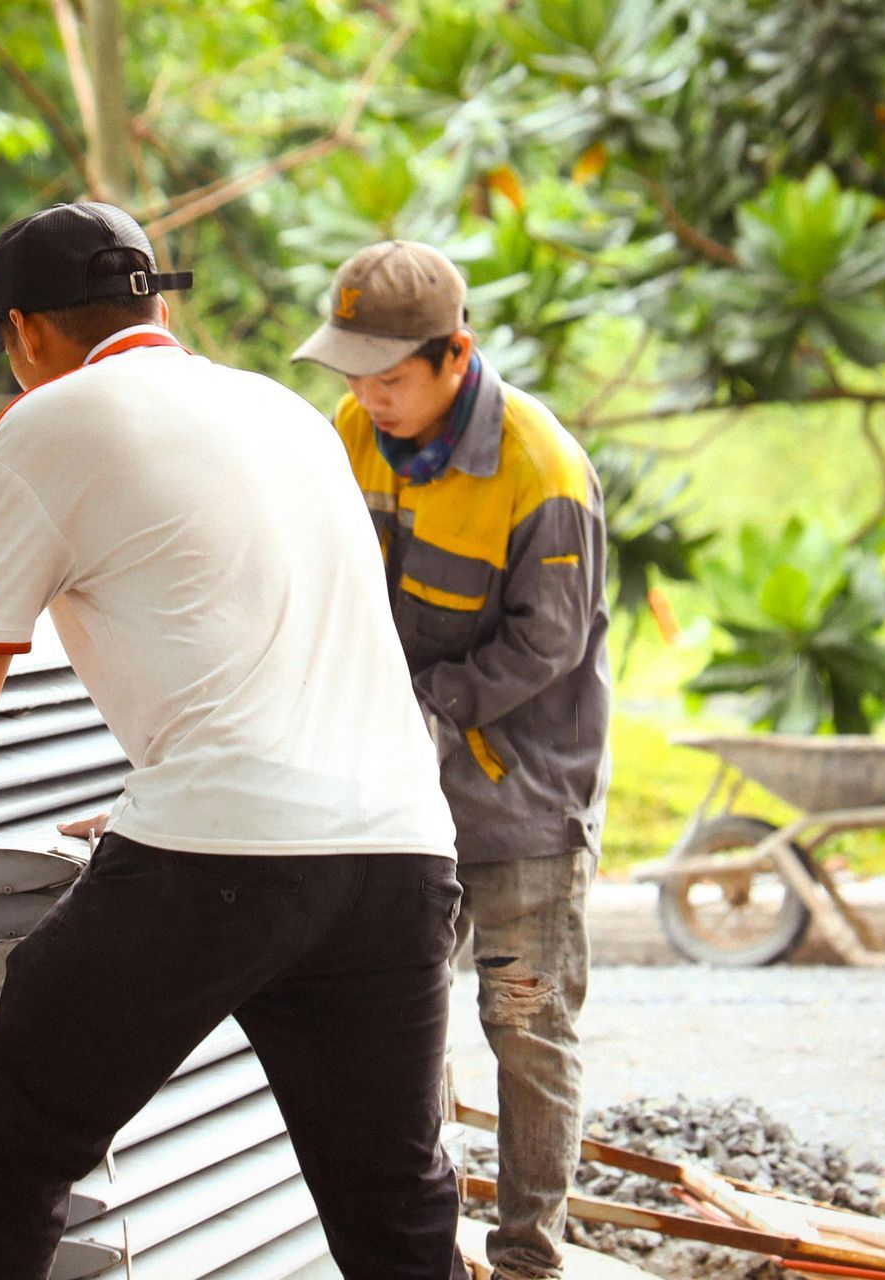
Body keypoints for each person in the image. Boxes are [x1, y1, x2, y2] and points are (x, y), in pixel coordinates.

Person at [0, 202, 470, 1280]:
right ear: (153, 301)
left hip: (220, 859)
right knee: (394, 1204)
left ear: (22, 332)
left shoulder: (47, 421)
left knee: (18, 1149)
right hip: (399, 850)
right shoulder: (285, 411)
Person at [292, 240, 612, 1280]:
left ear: (455, 356)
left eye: (389, 379)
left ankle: (527, 1259)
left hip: (520, 795)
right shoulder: (353, 432)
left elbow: (548, 642)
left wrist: (424, 706)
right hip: (395, 792)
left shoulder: (542, 468)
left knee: (523, 1022)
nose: (369, 400)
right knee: (399, 1020)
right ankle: (429, 1253)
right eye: (354, 378)